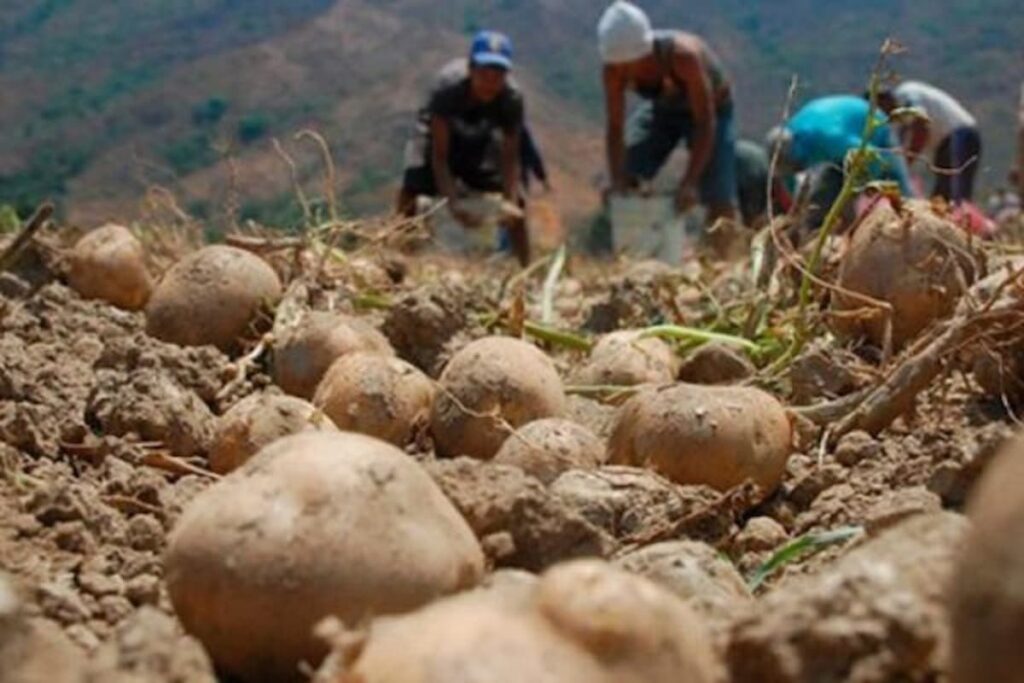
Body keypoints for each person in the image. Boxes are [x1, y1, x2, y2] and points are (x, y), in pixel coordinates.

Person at [396, 30, 529, 265]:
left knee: (518, 204)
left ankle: (524, 267)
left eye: (498, 74)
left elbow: (510, 156)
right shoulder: (448, 91)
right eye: (484, 72)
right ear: (470, 69)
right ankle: (401, 256)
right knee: (411, 189)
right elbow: (440, 156)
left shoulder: (511, 99)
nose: (490, 82)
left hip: (478, 137)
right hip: (436, 137)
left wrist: (509, 199)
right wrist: (453, 203)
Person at [598, 0, 738, 221]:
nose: (621, 70)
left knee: (718, 194)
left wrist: (689, 182)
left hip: (712, 112)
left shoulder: (684, 58)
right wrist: (617, 180)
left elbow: (704, 121)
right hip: (663, 110)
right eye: (616, 65)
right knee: (626, 174)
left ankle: (725, 249)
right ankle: (628, 246)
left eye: (628, 63)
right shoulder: (613, 73)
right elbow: (615, 128)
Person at [768, 95, 913, 231]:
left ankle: (915, 222)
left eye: (794, 165)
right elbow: (789, 181)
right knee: (823, 203)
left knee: (901, 193)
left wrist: (865, 186)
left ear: (795, 154)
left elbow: (872, 157)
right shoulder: (791, 143)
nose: (795, 168)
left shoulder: (830, 137)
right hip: (842, 155)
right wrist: (795, 215)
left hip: (877, 138)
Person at [876, 81, 981, 203]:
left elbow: (920, 131)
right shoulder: (901, 117)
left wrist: (904, 165)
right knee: (943, 193)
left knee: (956, 192)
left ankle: (961, 216)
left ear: (884, 101)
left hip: (959, 134)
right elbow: (903, 142)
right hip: (944, 143)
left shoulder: (907, 93)